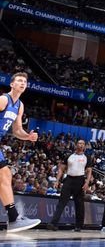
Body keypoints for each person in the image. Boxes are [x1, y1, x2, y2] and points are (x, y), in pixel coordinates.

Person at [0, 72, 41, 232]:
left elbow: (17, 130)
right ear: (12, 84)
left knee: (5, 175)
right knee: (5, 174)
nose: (22, 83)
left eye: (25, 81)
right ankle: (14, 218)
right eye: (19, 80)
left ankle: (13, 217)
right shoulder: (4, 99)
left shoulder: (19, 105)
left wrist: (28, 136)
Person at [48, 139, 94, 231]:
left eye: (82, 144)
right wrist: (57, 180)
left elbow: (89, 171)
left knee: (79, 204)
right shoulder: (69, 156)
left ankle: (78, 226)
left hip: (80, 180)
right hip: (68, 179)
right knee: (62, 202)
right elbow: (61, 169)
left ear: (84, 146)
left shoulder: (87, 157)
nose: (81, 145)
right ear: (76, 145)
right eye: (79, 143)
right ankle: (53, 223)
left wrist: (87, 182)